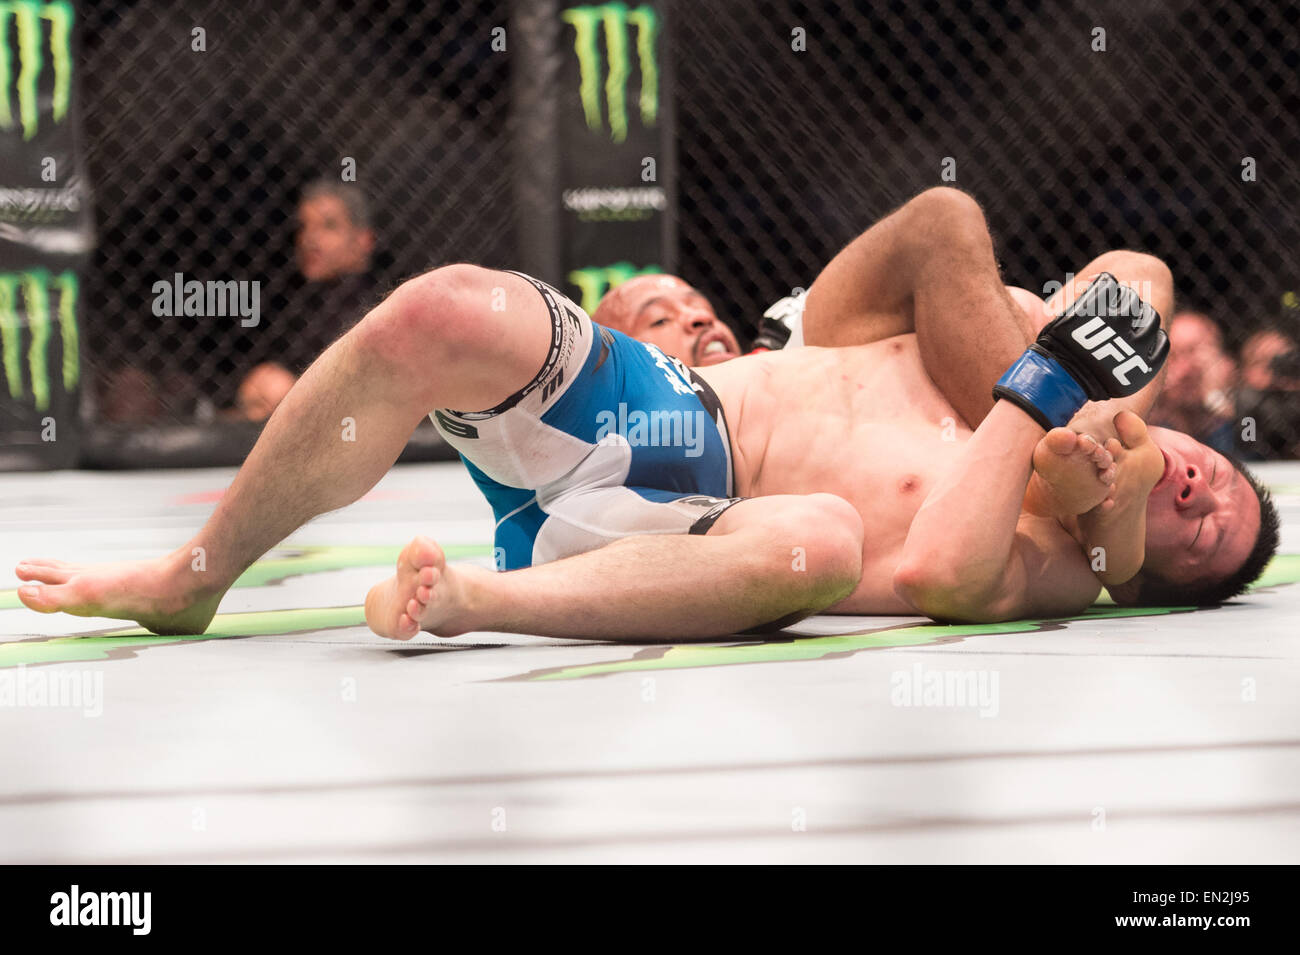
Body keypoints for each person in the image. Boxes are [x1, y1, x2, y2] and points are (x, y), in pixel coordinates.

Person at [14, 190, 1278, 642]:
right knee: (440, 314)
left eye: (1205, 540)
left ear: (1149, 580)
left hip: (695, 534)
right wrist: (1078, 395)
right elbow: (1130, 275)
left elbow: (945, 569)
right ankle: (195, 573)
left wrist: (1039, 433)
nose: (1203, 501)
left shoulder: (1058, 562)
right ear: (1186, 440)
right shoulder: (1075, 369)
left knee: (820, 545)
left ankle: (473, 597)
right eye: (1219, 484)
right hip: (666, 425)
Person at [233, 180, 379, 420]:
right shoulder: (300, 305)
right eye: (304, 227)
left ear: (363, 240)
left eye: (328, 226)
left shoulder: (377, 306)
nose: (310, 239)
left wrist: (291, 394)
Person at [1146, 312, 1236, 452]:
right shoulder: (1150, 427)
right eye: (1173, 356)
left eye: (1194, 353)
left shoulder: (1248, 416)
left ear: (1225, 362)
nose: (1186, 370)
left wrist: (1214, 397)